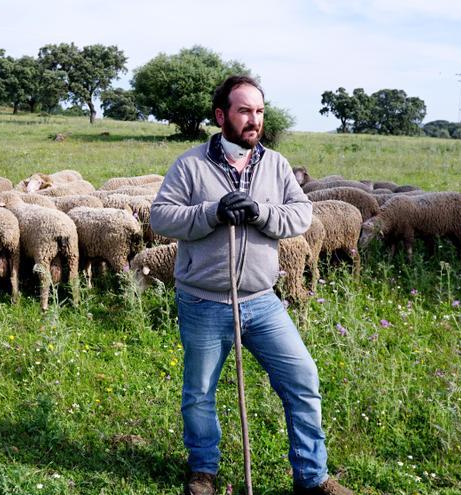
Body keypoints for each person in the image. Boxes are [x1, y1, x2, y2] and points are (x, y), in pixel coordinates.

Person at [150, 75, 354, 495]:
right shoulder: (190, 165)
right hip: (204, 301)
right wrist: (211, 212)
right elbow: (161, 217)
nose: (253, 119)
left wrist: (260, 212)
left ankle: (312, 478)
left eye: (259, 111)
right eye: (244, 111)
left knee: (303, 379)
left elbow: (300, 215)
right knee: (200, 392)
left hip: (262, 301)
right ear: (221, 116)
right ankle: (203, 471)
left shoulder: (275, 164)